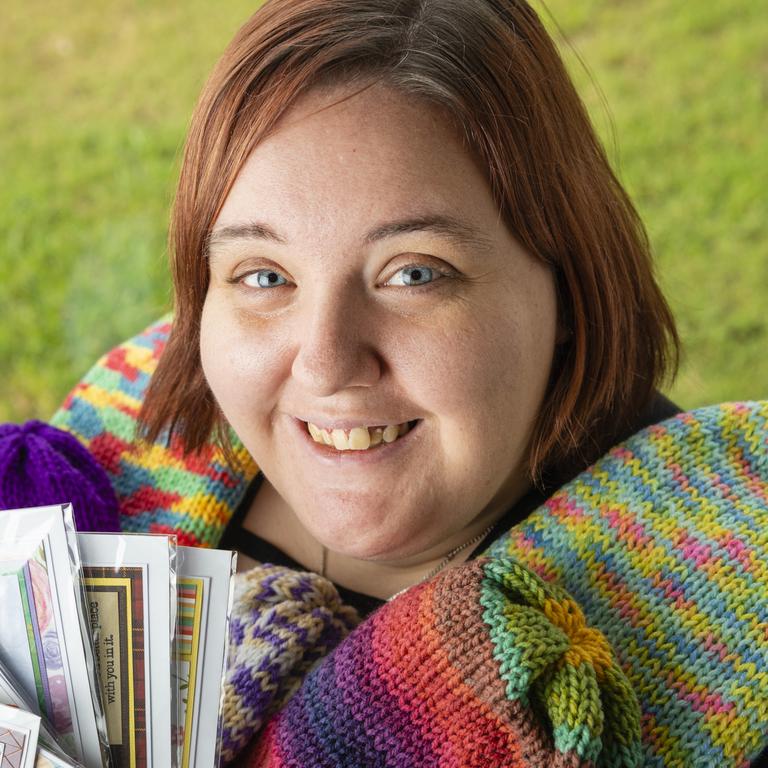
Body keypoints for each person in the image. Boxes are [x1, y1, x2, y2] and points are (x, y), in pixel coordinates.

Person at [48, 0, 767, 765]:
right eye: (263, 275)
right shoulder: (116, 433)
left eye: (413, 274)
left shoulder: (725, 635)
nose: (323, 361)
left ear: (566, 281)